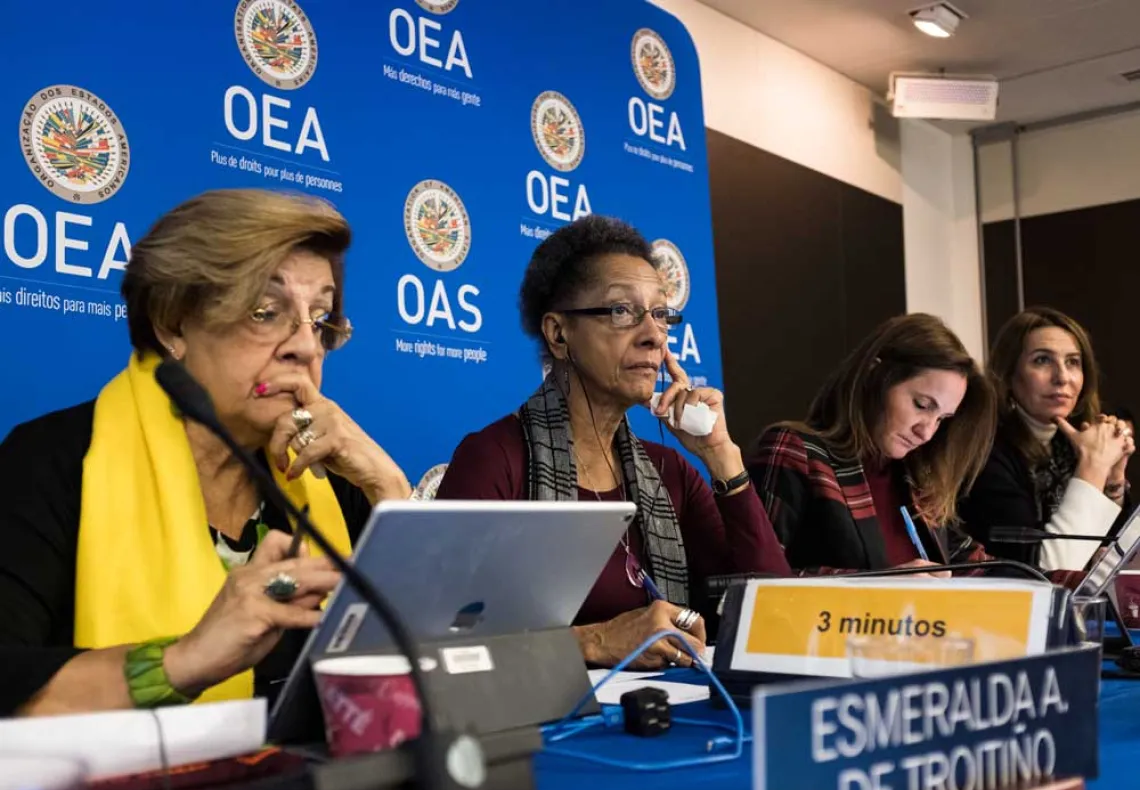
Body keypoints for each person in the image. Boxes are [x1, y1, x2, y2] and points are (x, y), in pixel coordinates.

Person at [0, 189, 413, 717]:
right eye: (266, 311)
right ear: (172, 323)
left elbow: (428, 669)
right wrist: (185, 660)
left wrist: (389, 492)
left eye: (320, 318)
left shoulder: (332, 480)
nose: (305, 347)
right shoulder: (52, 464)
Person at [436, 215, 790, 670]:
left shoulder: (671, 471)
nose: (653, 336)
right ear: (559, 334)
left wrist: (722, 458)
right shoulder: (495, 459)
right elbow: (447, 642)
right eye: (622, 311)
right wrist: (596, 641)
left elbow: (772, 616)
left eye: (660, 314)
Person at [747, 314, 997, 573]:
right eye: (922, 405)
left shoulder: (914, 476)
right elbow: (758, 580)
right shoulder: (795, 451)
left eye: (942, 419)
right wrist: (880, 589)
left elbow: (972, 562)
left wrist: (1036, 581)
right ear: (874, 375)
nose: (927, 432)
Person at [959, 307, 1133, 572]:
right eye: (1042, 360)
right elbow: (1045, 569)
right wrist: (1094, 465)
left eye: (1073, 362)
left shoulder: (1072, 440)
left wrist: (1113, 482)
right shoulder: (983, 449)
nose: (1062, 377)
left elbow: (1116, 557)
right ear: (1009, 374)